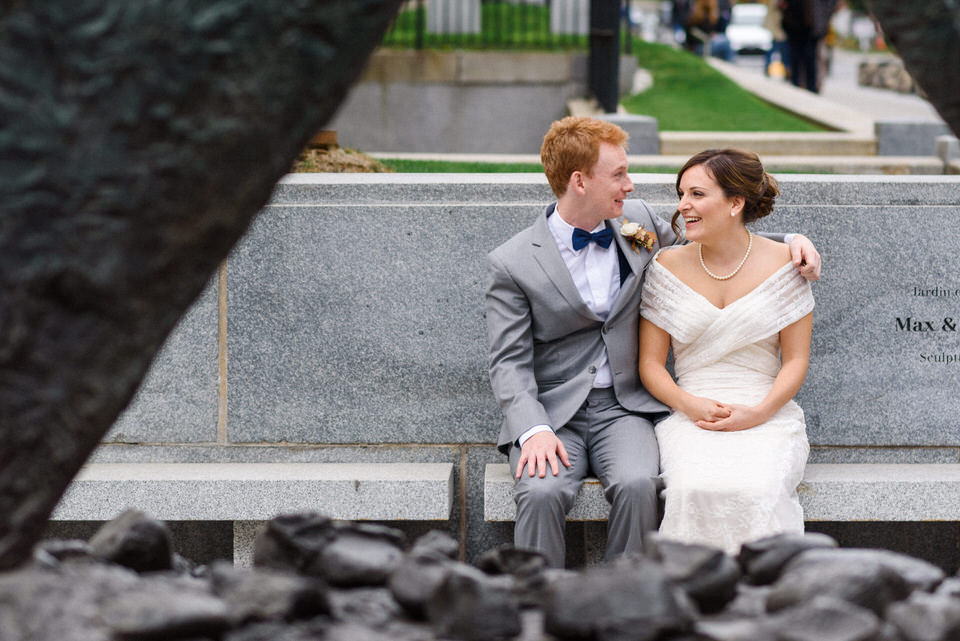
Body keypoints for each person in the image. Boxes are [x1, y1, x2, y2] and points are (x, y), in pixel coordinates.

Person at [484, 118, 821, 568]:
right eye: (619, 174)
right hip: (552, 412)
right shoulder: (512, 262)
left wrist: (792, 241)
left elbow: (715, 239)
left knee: (639, 485)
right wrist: (533, 429)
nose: (631, 183)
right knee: (542, 491)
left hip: (624, 409)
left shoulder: (636, 221)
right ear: (580, 181)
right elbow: (508, 362)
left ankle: (629, 602)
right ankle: (532, 605)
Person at [638, 148, 814, 554]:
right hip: (691, 414)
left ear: (735, 203)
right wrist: (688, 403)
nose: (684, 206)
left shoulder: (788, 265)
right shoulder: (665, 266)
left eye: (697, 194)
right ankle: (692, 596)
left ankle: (764, 595)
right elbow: (650, 363)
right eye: (681, 194)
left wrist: (761, 411)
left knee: (758, 488)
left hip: (767, 413)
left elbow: (797, 359)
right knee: (690, 488)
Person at [781, 0, 839, 92]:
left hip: (812, 27)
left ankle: (811, 86)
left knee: (811, 57)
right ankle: (796, 84)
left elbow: (831, 4)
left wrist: (824, 18)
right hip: (793, 26)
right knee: (795, 57)